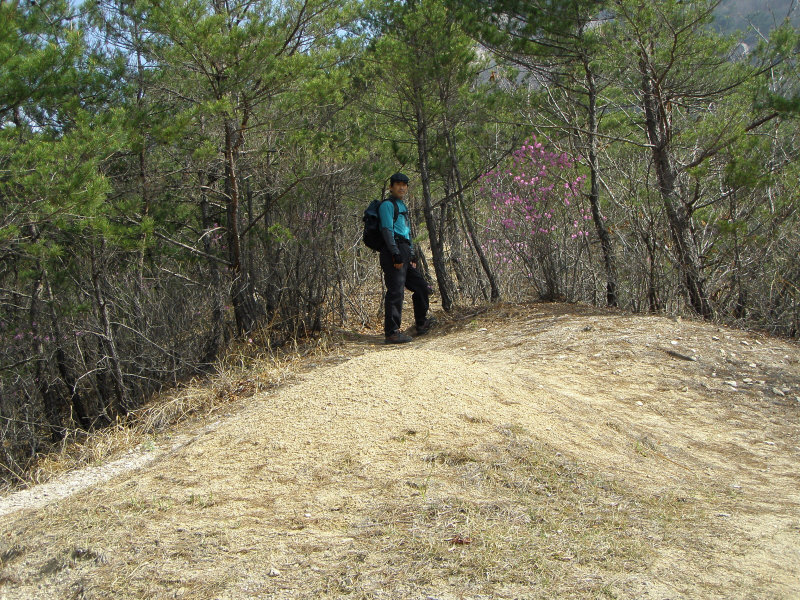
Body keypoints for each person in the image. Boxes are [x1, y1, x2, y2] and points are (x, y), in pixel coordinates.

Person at [379, 172, 435, 344]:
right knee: (396, 291)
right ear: (391, 187)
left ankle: (421, 323)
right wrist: (395, 254)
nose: (401, 187)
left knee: (421, 286)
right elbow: (387, 230)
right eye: (397, 184)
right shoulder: (387, 206)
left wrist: (410, 254)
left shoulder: (402, 205)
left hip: (403, 250)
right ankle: (392, 333)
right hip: (392, 251)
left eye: (404, 184)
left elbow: (406, 231)